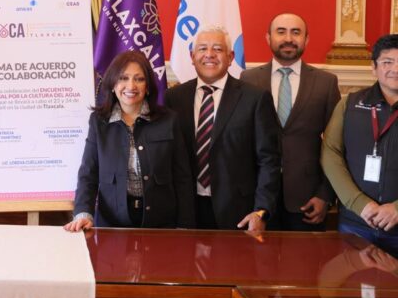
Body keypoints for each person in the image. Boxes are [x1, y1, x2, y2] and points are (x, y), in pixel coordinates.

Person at [165, 25, 281, 231]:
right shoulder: (174, 98)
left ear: (230, 57)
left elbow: (269, 160)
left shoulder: (255, 98)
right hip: (184, 210)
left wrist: (261, 210)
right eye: (202, 49)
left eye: (218, 49)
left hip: (238, 212)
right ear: (192, 57)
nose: (209, 54)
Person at [65, 50, 194, 231]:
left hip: (162, 225)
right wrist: (83, 213)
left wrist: (185, 226)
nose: (131, 86)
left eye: (139, 79)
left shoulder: (169, 120)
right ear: (113, 84)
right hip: (112, 226)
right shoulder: (99, 122)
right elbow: (88, 174)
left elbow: (182, 178)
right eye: (123, 78)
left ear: (147, 86)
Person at [241, 13, 340, 230]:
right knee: (256, 253)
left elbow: (337, 145)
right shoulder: (248, 79)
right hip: (256, 196)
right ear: (268, 38)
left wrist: (325, 195)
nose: (288, 38)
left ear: (306, 39)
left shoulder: (326, 83)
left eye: (296, 32)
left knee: (305, 254)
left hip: (308, 199)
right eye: (281, 32)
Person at [322, 34, 398, 256]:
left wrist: (396, 208)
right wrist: (360, 204)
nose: (395, 69)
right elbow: (330, 153)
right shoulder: (349, 104)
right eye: (387, 62)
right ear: (373, 68)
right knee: (354, 280)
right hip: (356, 223)